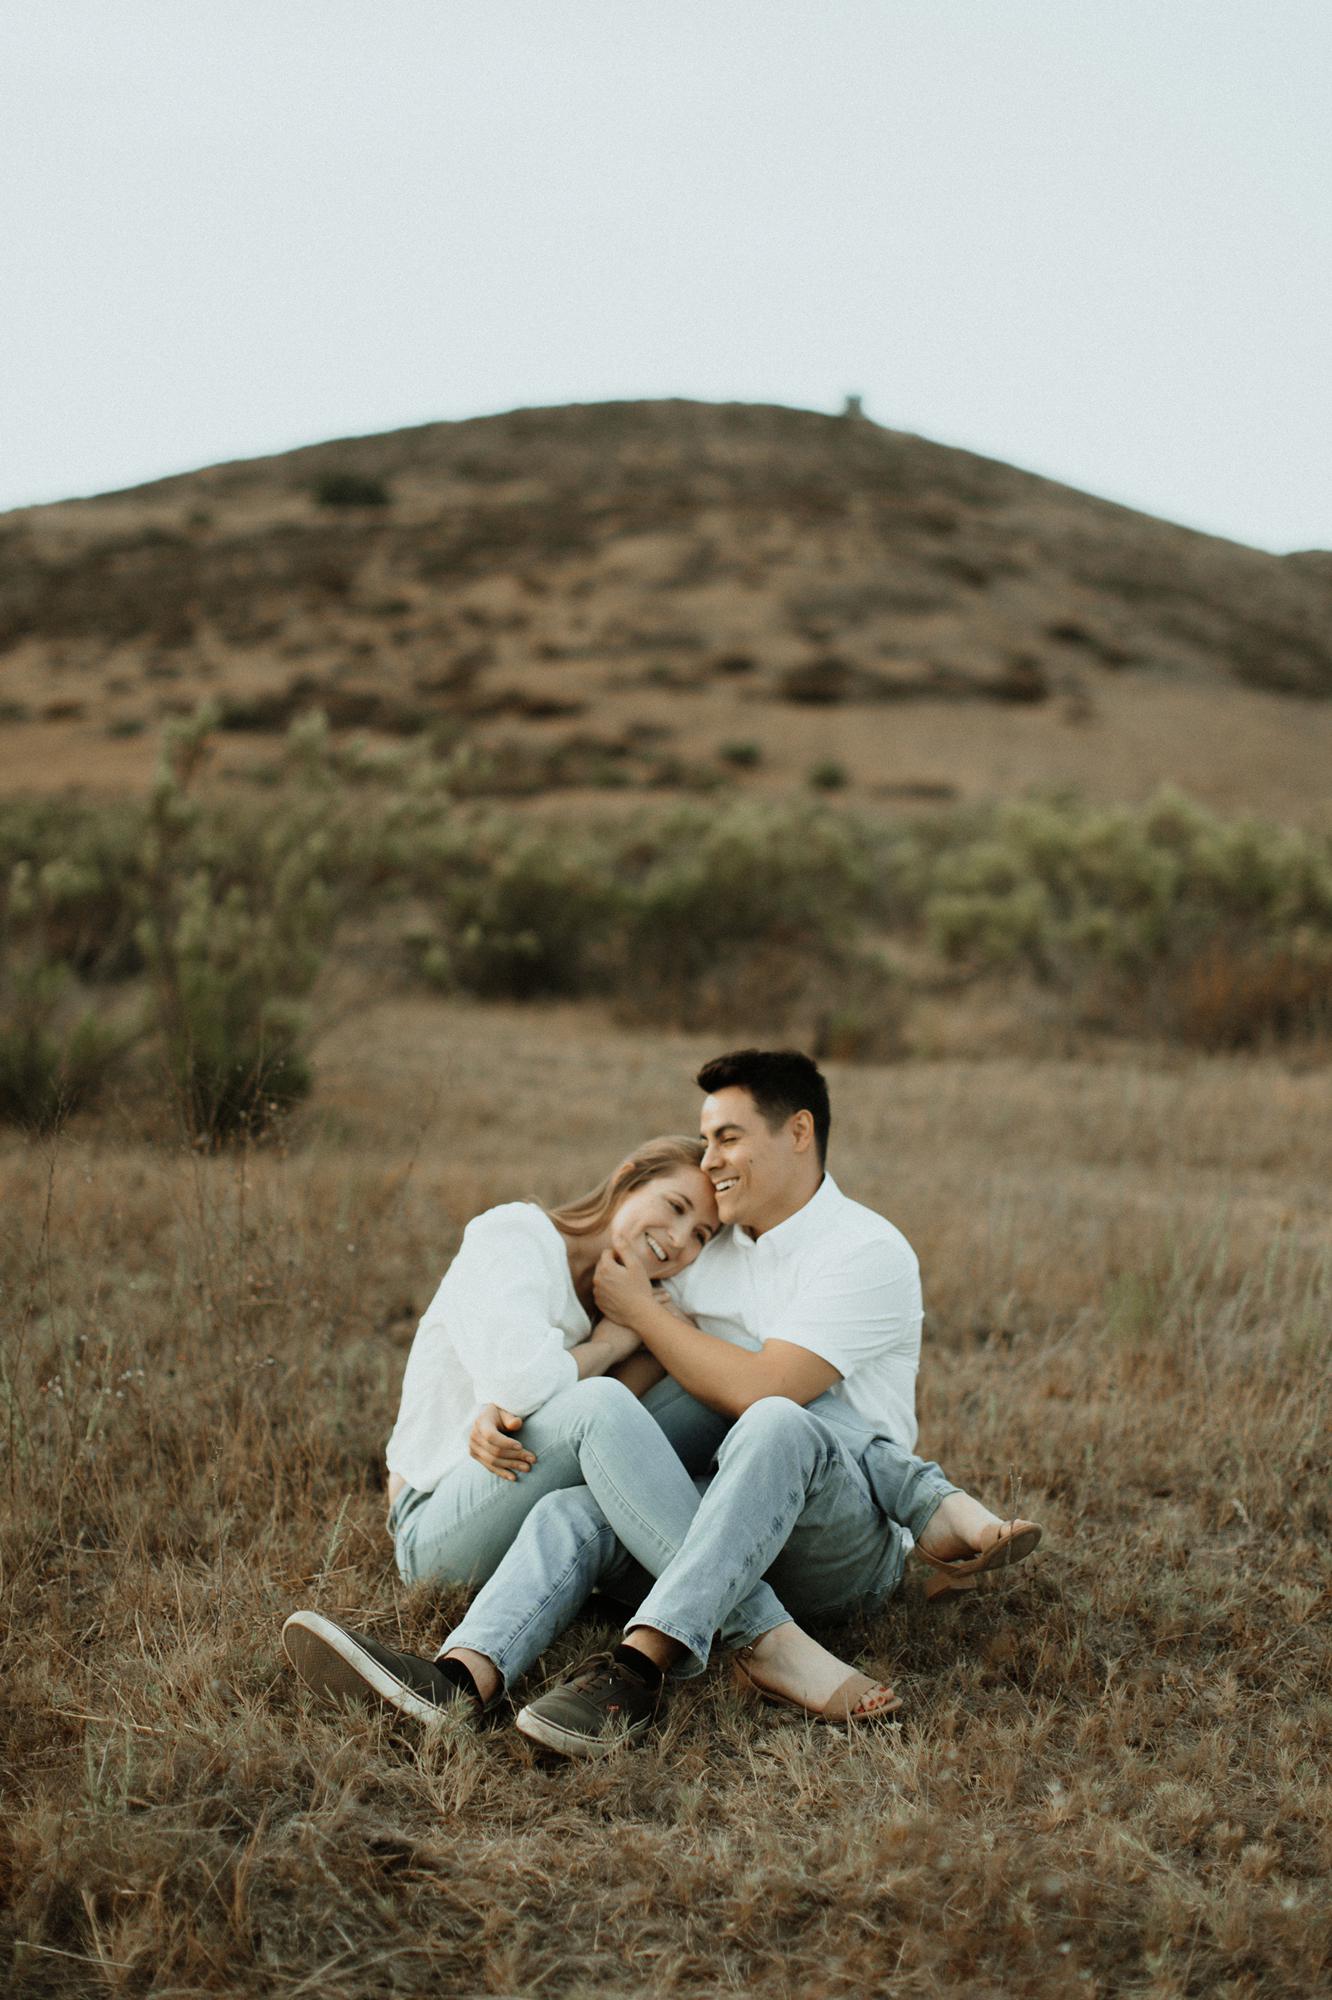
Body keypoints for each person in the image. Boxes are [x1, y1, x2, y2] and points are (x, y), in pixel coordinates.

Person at [286, 1052, 1040, 1744]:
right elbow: (613, 1399)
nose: (709, 1171)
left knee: (765, 1410)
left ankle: (893, 1520)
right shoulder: (695, 1254)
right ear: (628, 1179)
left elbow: (750, 1389)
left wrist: (637, 1324)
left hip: (837, 1529)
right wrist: (505, 1401)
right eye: (701, 1153)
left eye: (727, 1140)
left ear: (798, 1132)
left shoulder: (859, 1249)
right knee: (580, 1492)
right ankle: (462, 1680)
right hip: (675, 1511)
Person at [283, 1134, 727, 1711]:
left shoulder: (636, 1299)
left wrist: (643, 1326)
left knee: (702, 1396)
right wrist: (608, 1345)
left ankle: (461, 1687)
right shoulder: (514, 1236)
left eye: (701, 1235)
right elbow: (524, 1385)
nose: (679, 1240)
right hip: (437, 1521)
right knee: (598, 1402)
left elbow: (619, 1431)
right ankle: (756, 1624)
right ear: (627, 1178)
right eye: (675, 1206)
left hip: (525, 1501)